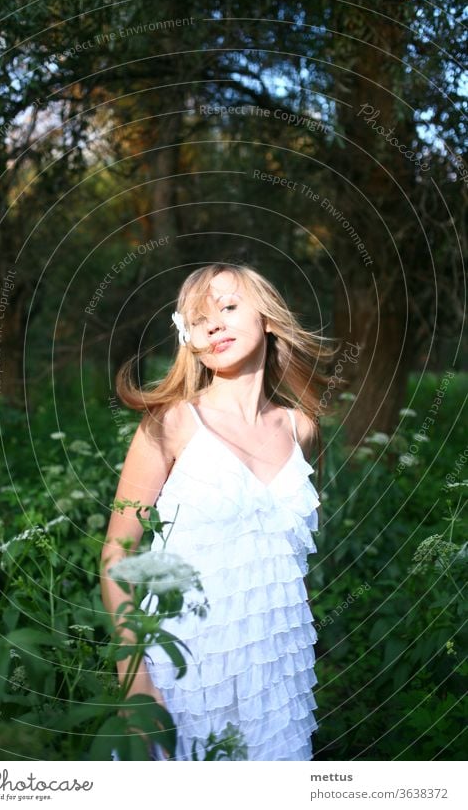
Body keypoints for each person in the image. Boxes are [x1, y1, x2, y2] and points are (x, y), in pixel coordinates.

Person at [100, 262, 338, 761]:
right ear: (189, 336)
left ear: (267, 319)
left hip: (275, 676)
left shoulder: (302, 429)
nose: (214, 324)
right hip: (185, 669)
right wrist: (136, 684)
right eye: (200, 317)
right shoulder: (171, 423)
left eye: (229, 307)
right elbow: (117, 556)